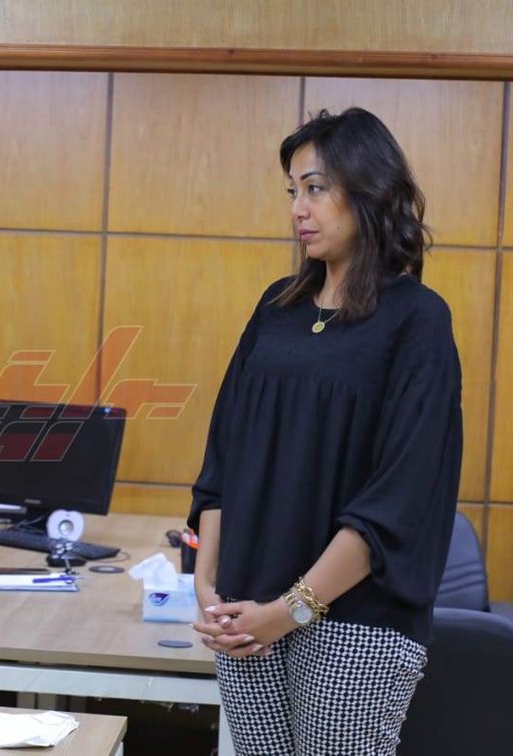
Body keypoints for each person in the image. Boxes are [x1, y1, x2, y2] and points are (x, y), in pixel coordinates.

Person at [189, 107, 463, 755]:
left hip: (354, 622)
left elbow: (397, 499)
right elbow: (224, 455)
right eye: (292, 191)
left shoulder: (417, 320)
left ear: (368, 190)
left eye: (315, 188)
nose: (298, 209)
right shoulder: (276, 307)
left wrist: (291, 610)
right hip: (246, 612)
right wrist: (207, 584)